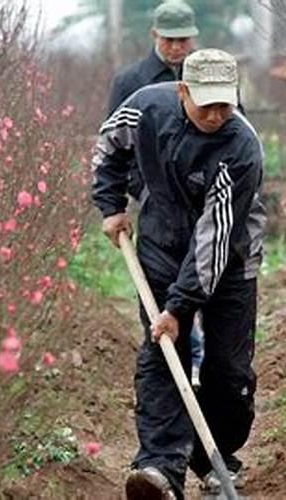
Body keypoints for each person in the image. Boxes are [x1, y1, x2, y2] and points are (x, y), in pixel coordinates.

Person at [92, 48, 265, 500]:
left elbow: (215, 240)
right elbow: (109, 146)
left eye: (225, 103)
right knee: (163, 355)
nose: (215, 113)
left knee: (229, 371)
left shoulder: (242, 147)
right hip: (161, 244)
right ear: (183, 90)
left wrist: (178, 305)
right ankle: (159, 467)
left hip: (230, 259)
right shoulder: (146, 108)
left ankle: (216, 458)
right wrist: (111, 205)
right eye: (205, 102)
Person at [107, 0, 205, 388]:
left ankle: (201, 369)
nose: (178, 47)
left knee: (201, 281)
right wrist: (141, 192)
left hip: (202, 207)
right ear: (155, 36)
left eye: (184, 39)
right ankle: (173, 379)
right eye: (170, 39)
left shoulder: (209, 76)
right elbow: (115, 147)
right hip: (156, 211)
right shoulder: (130, 82)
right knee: (161, 293)